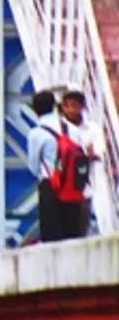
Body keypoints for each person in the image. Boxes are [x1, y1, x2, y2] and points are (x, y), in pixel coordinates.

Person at [26, 90, 87, 242]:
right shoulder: (73, 130)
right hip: (73, 185)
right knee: (73, 234)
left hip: (51, 185)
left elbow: (33, 166)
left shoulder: (36, 133)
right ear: (55, 106)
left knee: (52, 235)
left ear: (34, 109)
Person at [60, 90, 101, 234]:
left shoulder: (93, 129)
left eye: (75, 106)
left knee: (81, 229)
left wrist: (85, 155)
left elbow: (98, 152)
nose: (71, 110)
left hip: (84, 188)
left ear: (82, 107)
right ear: (63, 107)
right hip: (61, 189)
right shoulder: (58, 129)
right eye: (68, 106)